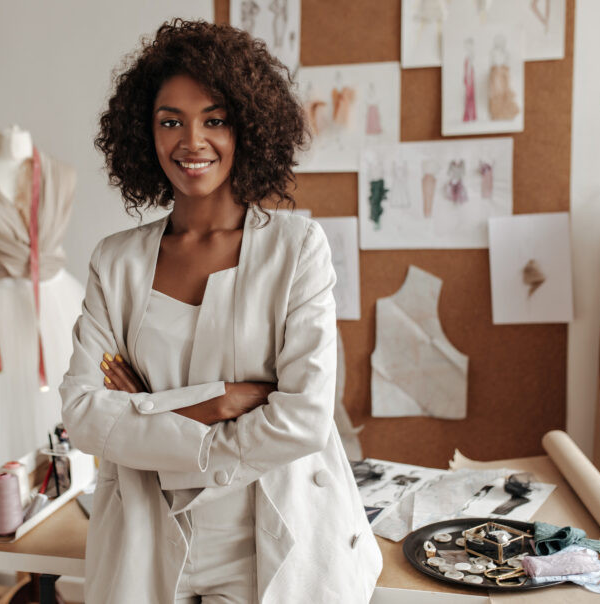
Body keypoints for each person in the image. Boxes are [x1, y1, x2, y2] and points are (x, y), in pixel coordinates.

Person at [60, 19, 381, 604]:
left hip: (272, 540)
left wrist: (146, 412)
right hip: (147, 536)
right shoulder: (116, 263)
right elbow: (83, 415)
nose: (192, 141)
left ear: (248, 127)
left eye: (214, 119)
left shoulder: (297, 250)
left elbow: (305, 419)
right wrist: (223, 401)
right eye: (170, 121)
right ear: (144, 132)